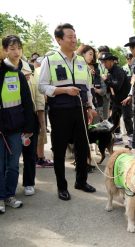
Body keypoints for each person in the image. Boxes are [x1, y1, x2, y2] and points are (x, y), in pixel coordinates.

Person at [38, 23, 97, 201]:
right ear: (59, 39)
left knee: (82, 147)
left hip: (79, 110)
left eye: (75, 36)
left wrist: (90, 107)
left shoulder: (81, 61)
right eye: (70, 37)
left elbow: (87, 87)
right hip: (60, 112)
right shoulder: (50, 59)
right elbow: (42, 86)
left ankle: (81, 181)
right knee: (60, 150)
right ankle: (62, 187)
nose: (74, 40)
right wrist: (63, 90)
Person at [0, 35, 34, 213]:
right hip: (1, 129)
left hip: (16, 128)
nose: (16, 51)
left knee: (13, 164)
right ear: (5, 50)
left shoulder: (19, 74)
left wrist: (29, 127)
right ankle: (0, 197)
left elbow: (27, 103)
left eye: (19, 48)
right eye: (12, 48)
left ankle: (9, 195)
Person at [99, 52, 133, 143]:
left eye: (105, 62)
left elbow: (117, 86)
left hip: (125, 99)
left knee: (127, 118)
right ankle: (118, 137)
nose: (104, 64)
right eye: (103, 62)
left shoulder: (118, 71)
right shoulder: (109, 72)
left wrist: (106, 80)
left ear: (111, 61)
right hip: (116, 100)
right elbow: (111, 88)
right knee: (114, 118)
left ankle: (132, 139)